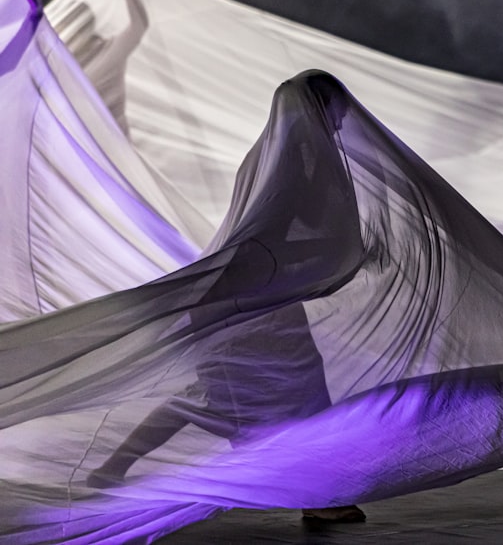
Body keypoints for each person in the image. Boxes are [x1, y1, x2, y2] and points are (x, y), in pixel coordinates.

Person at [87, 73, 368, 522]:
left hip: (256, 295)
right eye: (338, 108)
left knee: (235, 395)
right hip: (245, 296)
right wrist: (341, 250)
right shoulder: (290, 163)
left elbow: (288, 231)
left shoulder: (288, 156)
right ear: (322, 108)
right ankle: (316, 498)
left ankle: (110, 469)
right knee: (278, 395)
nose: (345, 117)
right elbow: (261, 241)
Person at [56, 0, 148, 136]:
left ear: (85, 32)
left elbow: (139, 26)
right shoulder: (60, 67)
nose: (65, 40)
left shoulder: (110, 52)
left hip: (114, 151)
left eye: (71, 33)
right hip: (79, 152)